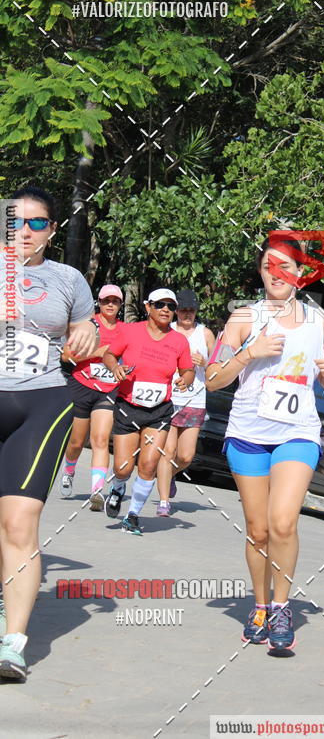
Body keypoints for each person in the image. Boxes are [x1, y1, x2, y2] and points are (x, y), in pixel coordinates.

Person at [206, 237, 324, 652]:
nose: (277, 273)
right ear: (262, 272)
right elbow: (213, 378)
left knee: (283, 522)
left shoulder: (321, 322)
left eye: (287, 266)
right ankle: (260, 604)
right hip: (249, 433)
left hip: (297, 432)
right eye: (270, 265)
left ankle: (282, 607)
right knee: (259, 530)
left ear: (300, 273)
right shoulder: (244, 318)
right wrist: (250, 353)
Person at [0, 187, 97, 680]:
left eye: (37, 223)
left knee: (19, 524)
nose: (25, 230)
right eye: (15, 220)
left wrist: (86, 337)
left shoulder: (68, 278)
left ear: (52, 230)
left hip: (42, 402)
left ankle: (13, 644)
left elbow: (88, 334)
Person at [102, 289, 194, 535]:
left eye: (171, 306)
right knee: (122, 466)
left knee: (149, 463)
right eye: (160, 304)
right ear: (148, 307)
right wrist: (115, 368)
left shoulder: (179, 341)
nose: (166, 309)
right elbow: (110, 354)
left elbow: (188, 369)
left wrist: (186, 379)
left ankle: (132, 515)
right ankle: (118, 487)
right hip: (128, 406)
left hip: (159, 411)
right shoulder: (130, 331)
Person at [60, 285, 124, 510]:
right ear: (99, 301)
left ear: (120, 305)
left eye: (115, 301)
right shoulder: (89, 325)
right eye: (107, 300)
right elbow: (67, 356)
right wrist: (96, 352)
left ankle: (96, 491)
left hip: (107, 390)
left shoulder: (126, 330)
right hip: (81, 385)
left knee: (100, 439)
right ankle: (69, 469)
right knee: (77, 442)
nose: (110, 305)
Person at [156, 289, 215, 515]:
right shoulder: (166, 330)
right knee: (168, 451)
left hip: (195, 400)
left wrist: (205, 362)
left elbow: (221, 368)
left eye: (191, 310)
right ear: (176, 310)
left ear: (196, 311)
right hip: (168, 399)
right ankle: (163, 502)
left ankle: (167, 475)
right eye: (182, 310)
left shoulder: (205, 334)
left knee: (185, 456)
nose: (186, 314)